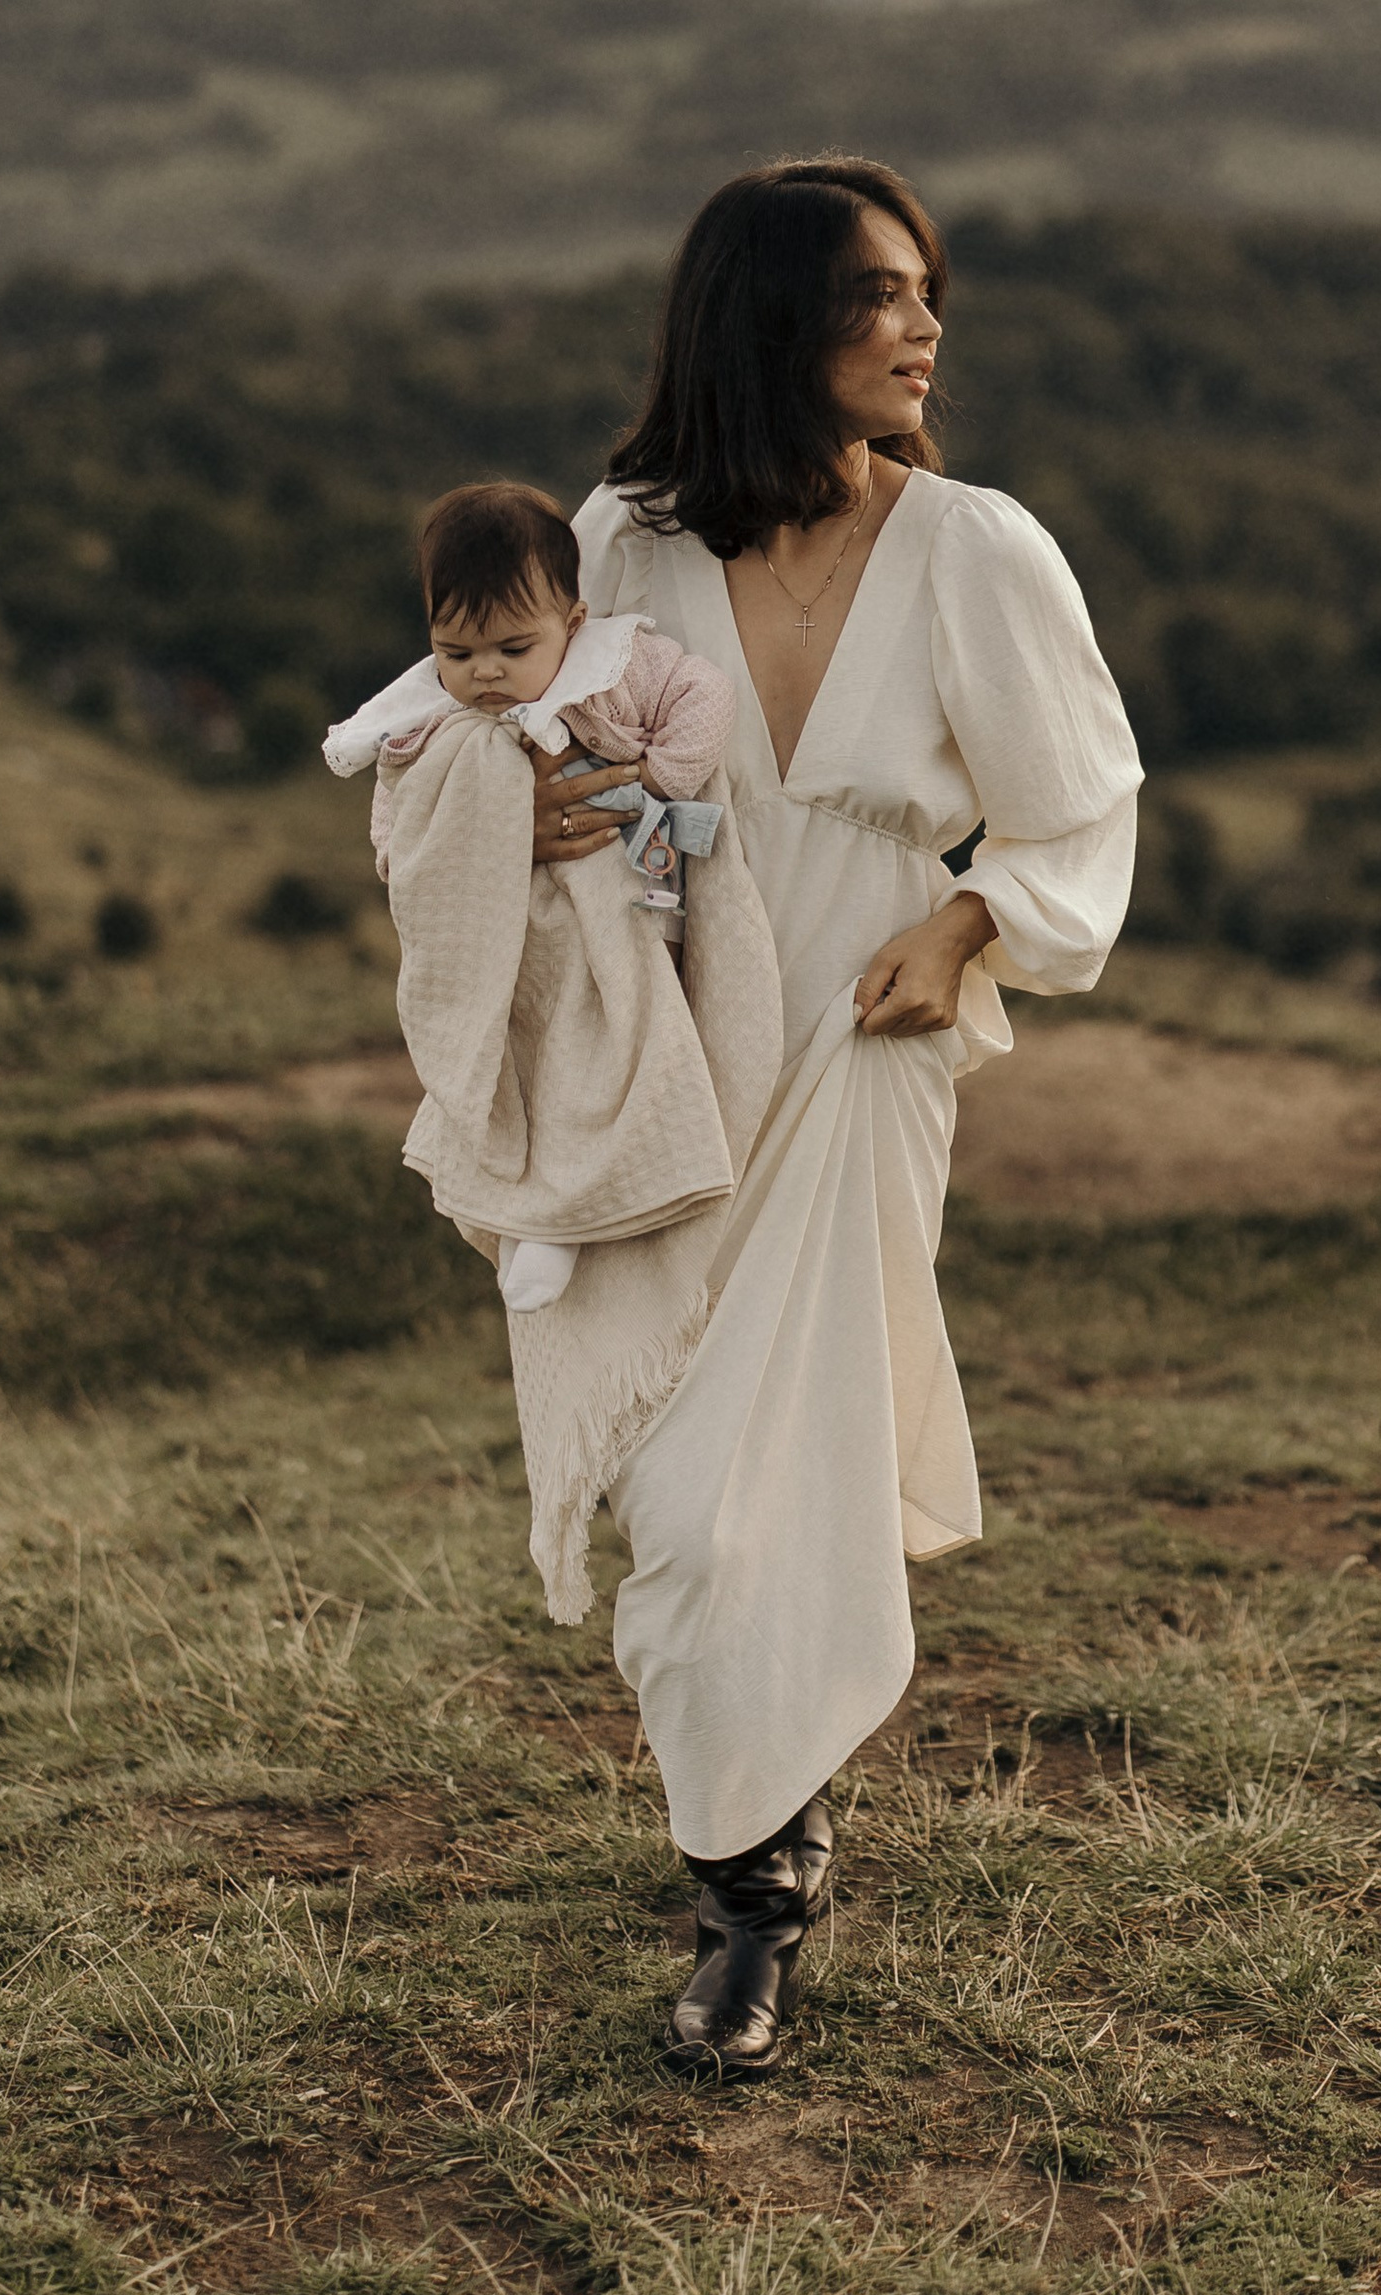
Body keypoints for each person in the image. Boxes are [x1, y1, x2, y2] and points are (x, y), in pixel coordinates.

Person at [530, 157, 1141, 2076]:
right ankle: (754, 1827)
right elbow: (539, 775)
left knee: (737, 1499)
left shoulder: (980, 551)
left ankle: (750, 1903)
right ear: (770, 325)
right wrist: (547, 822)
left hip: (867, 1038)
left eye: (924, 290)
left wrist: (966, 926)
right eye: (879, 294)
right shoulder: (620, 546)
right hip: (662, 1039)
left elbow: (1081, 816)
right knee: (661, 1478)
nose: (924, 326)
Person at [323, 483, 771, 1328]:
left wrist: (658, 778)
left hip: (617, 911)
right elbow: (398, 814)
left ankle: (593, 1200)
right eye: (456, 653)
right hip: (509, 926)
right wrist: (440, 845)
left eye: (510, 647)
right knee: (520, 1052)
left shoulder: (617, 668)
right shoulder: (426, 717)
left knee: (604, 1046)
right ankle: (531, 1210)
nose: (484, 673)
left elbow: (705, 695)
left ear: (572, 623)